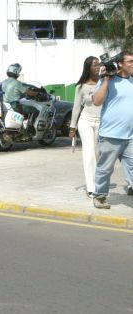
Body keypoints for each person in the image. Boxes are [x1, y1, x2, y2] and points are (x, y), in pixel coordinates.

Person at [92, 51, 133, 209]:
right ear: (120, 64)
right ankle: (100, 196)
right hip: (110, 135)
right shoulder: (108, 80)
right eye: (130, 61)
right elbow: (96, 101)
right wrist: (106, 81)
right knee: (105, 168)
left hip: (130, 136)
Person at [69, 56, 101, 198]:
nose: (98, 67)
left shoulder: (104, 82)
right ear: (88, 67)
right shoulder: (80, 86)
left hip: (101, 122)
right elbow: (76, 107)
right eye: (95, 65)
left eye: (99, 64)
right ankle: (91, 187)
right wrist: (72, 127)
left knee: (98, 154)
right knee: (88, 153)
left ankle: (99, 184)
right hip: (86, 122)